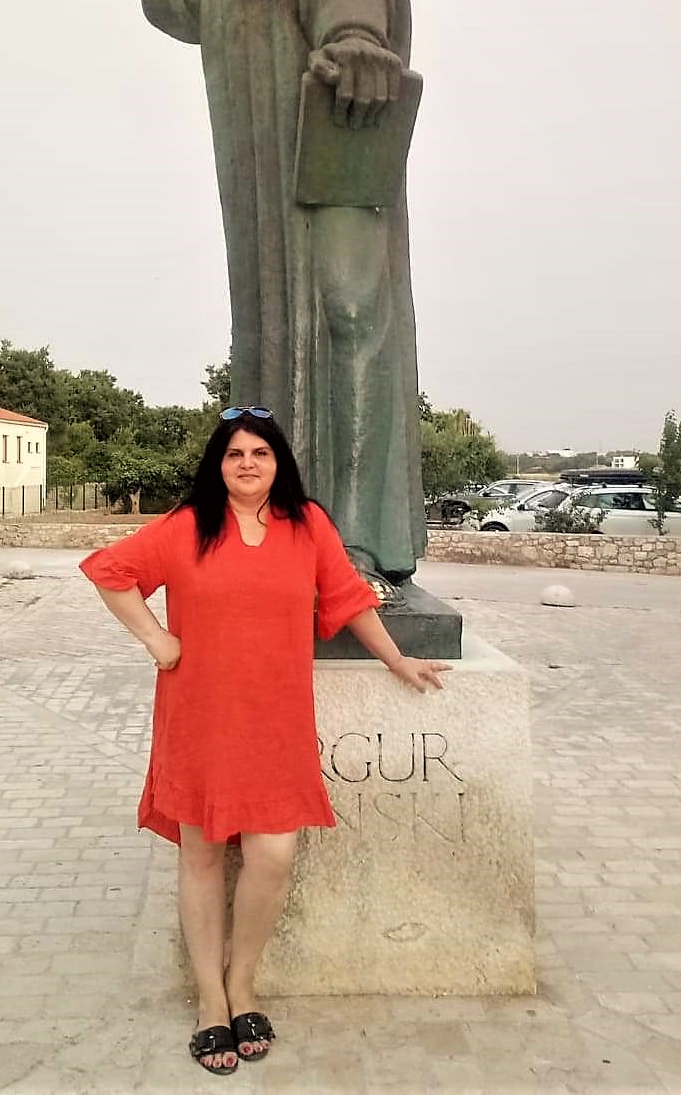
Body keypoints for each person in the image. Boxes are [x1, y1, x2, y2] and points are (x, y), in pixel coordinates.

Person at [133, 0, 426, 594]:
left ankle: (358, 544)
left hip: (340, 131)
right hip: (263, 205)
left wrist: (357, 35)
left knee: (350, 313)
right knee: (270, 350)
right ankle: (286, 539)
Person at [80, 407, 451, 1074]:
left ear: (279, 462)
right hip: (199, 716)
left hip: (275, 721)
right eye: (235, 454)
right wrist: (157, 638)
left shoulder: (306, 525)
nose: (247, 463)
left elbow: (348, 597)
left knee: (272, 856)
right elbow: (110, 571)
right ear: (218, 464)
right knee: (200, 856)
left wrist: (397, 659)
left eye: (260, 453)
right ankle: (211, 1001)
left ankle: (243, 981)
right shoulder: (188, 525)